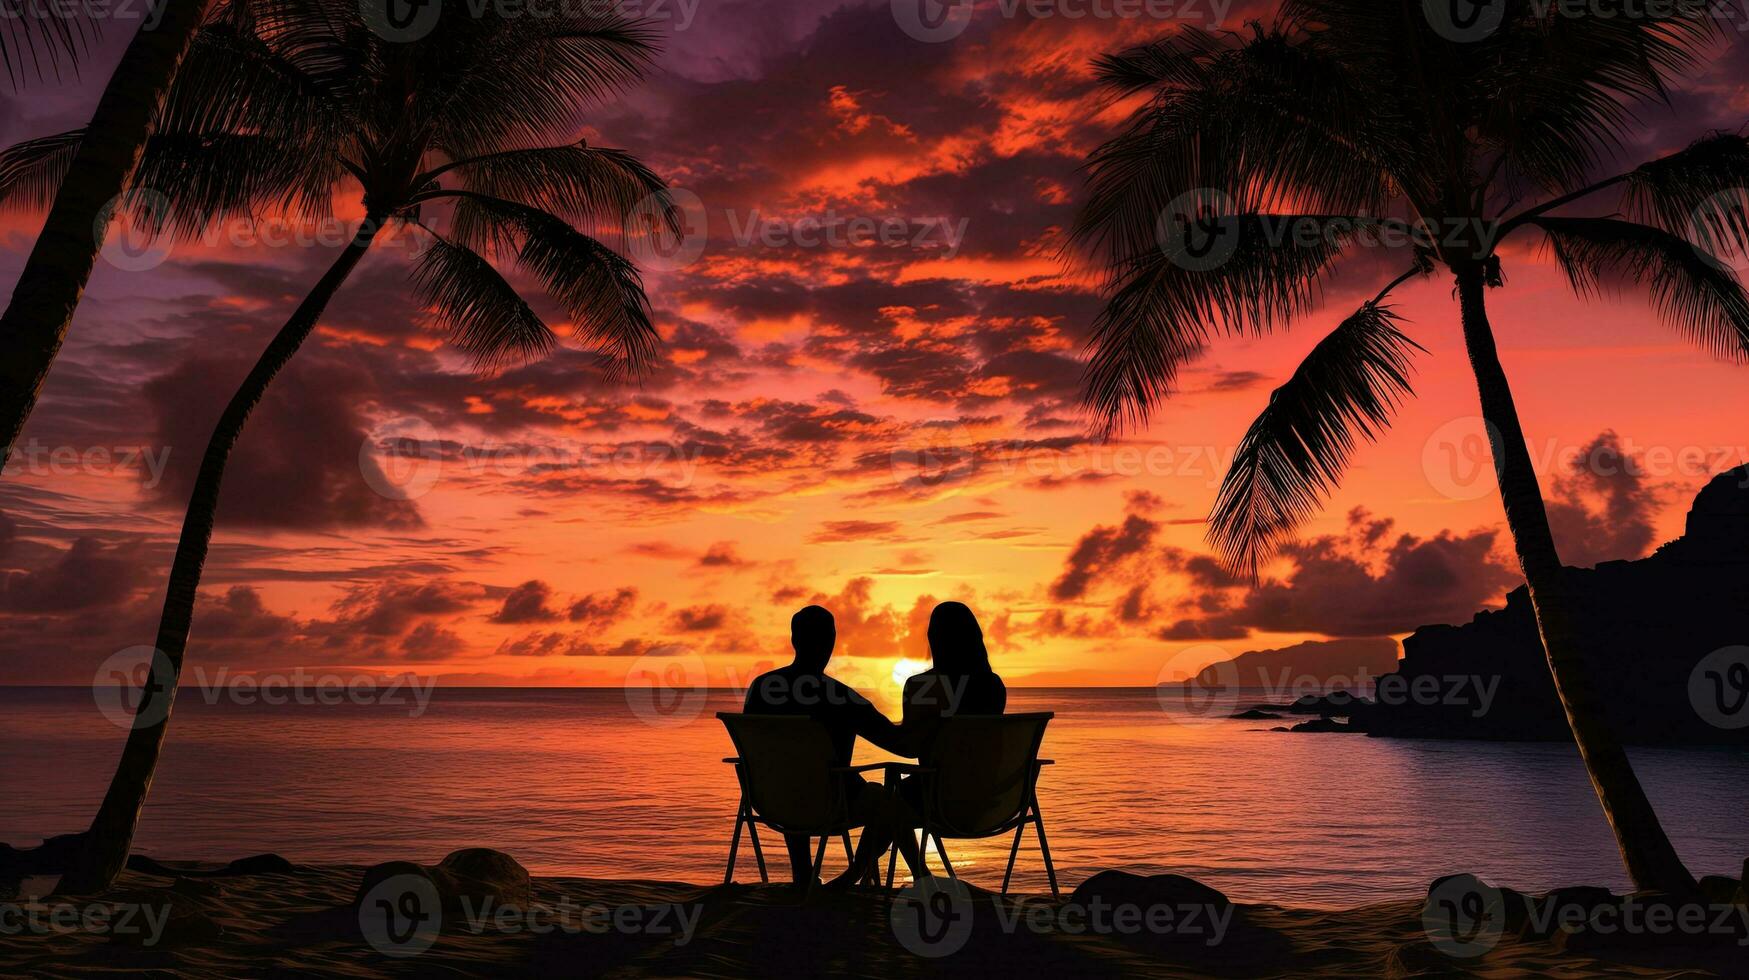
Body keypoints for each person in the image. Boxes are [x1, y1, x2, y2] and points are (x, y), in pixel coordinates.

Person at [829, 600, 1005, 888]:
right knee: (896, 795)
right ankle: (868, 873)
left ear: (935, 639)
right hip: (990, 799)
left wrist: (862, 718)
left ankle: (891, 873)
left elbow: (910, 748)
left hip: (941, 799)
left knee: (889, 798)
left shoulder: (923, 686)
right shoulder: (993, 686)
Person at [742, 605, 904, 884]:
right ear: (832, 642)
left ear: (794, 640)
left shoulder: (761, 688)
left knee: (793, 776)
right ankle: (850, 877)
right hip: (830, 803)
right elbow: (901, 745)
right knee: (891, 804)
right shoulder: (840, 697)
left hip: (768, 799)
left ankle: (802, 875)